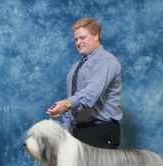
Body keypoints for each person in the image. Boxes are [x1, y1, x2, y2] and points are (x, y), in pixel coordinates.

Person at [47, 18, 123, 149]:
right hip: (78, 131)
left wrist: (65, 104)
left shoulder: (107, 61)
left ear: (96, 36)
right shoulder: (76, 66)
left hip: (101, 130)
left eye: (82, 38)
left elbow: (91, 94)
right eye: (76, 39)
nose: (78, 42)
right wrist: (66, 128)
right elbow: (74, 99)